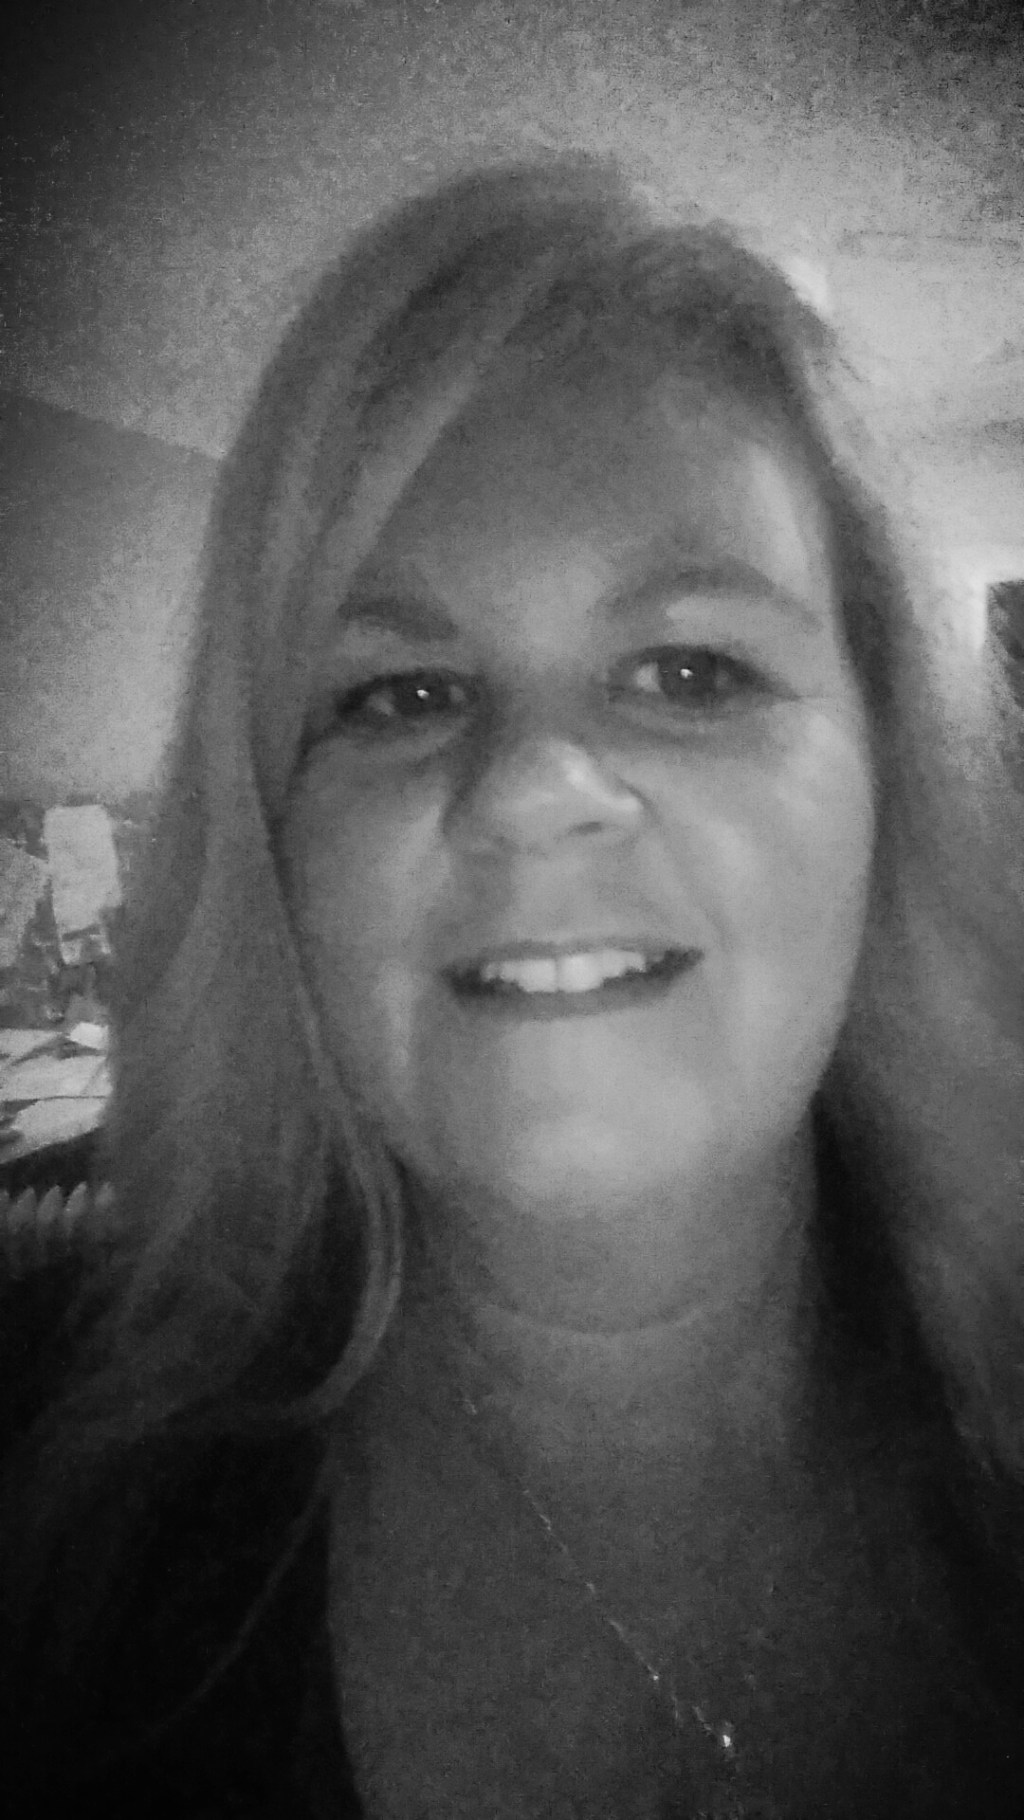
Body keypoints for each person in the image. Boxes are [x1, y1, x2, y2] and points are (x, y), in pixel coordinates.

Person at [3, 151, 1024, 1819]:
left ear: (887, 776)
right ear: (277, 848)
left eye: (689, 668)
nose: (536, 787)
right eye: (403, 693)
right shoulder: (56, 1518)